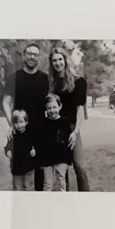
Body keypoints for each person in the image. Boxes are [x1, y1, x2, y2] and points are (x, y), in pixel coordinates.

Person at [2, 43, 50, 189]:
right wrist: (12, 124)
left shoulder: (44, 78)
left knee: (39, 172)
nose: (32, 57)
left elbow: (50, 102)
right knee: (19, 171)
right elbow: (6, 102)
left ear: (39, 58)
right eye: (29, 53)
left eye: (35, 54)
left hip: (40, 129)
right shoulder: (13, 78)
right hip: (20, 130)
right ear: (23, 55)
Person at [48, 44, 90, 192]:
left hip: (72, 127)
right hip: (56, 128)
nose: (58, 63)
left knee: (79, 166)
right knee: (61, 169)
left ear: (65, 60)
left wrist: (75, 132)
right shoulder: (51, 84)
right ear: (51, 63)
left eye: (60, 59)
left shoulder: (79, 82)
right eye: (54, 60)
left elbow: (79, 110)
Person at [36, 92, 69, 192]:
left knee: (61, 182)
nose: (52, 110)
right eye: (49, 108)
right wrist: (41, 160)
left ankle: (63, 203)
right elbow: (41, 143)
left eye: (54, 107)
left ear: (60, 106)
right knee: (47, 184)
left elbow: (68, 143)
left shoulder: (65, 122)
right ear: (46, 109)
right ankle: (46, 204)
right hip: (47, 158)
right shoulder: (44, 123)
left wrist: (67, 159)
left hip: (61, 157)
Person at [5, 108, 36, 191]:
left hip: (29, 166)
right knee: (17, 188)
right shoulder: (12, 136)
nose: (19, 125)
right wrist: (8, 151)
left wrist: (34, 151)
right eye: (16, 122)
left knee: (28, 187)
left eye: (21, 122)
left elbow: (35, 145)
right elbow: (7, 147)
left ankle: (28, 203)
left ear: (26, 122)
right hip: (16, 167)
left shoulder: (30, 134)